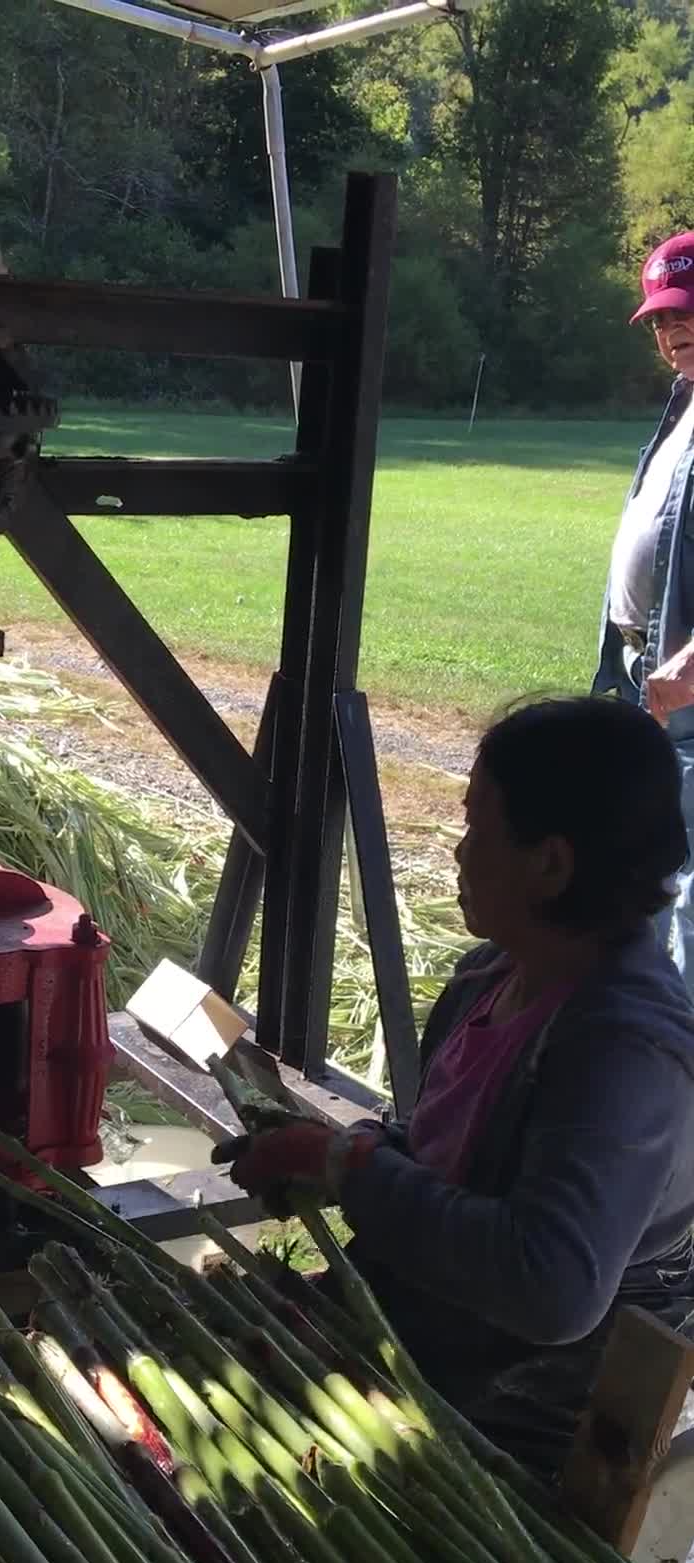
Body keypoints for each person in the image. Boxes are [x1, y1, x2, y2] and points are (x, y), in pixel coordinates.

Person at [220, 698, 694, 1477]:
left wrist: (351, 1166)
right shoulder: (495, 976)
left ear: (551, 864)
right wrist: (334, 1154)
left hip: (511, 1436)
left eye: (477, 825)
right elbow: (450, 1156)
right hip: (428, 1339)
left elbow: (554, 1289)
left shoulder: (622, 1048)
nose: (458, 851)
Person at [596, 230, 694, 979]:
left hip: (687, 690)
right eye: (660, 317)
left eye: (687, 311)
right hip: (651, 683)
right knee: (644, 876)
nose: (673, 329)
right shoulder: (684, 405)